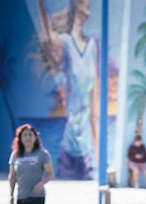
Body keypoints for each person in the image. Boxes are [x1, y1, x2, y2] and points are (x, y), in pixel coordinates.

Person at [38, 0, 98, 180]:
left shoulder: (92, 45)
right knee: (65, 189)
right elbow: (48, 38)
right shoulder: (66, 42)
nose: (87, 7)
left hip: (87, 150)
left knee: (90, 189)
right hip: (69, 147)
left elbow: (94, 108)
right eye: (83, 3)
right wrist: (40, 5)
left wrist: (98, 155)